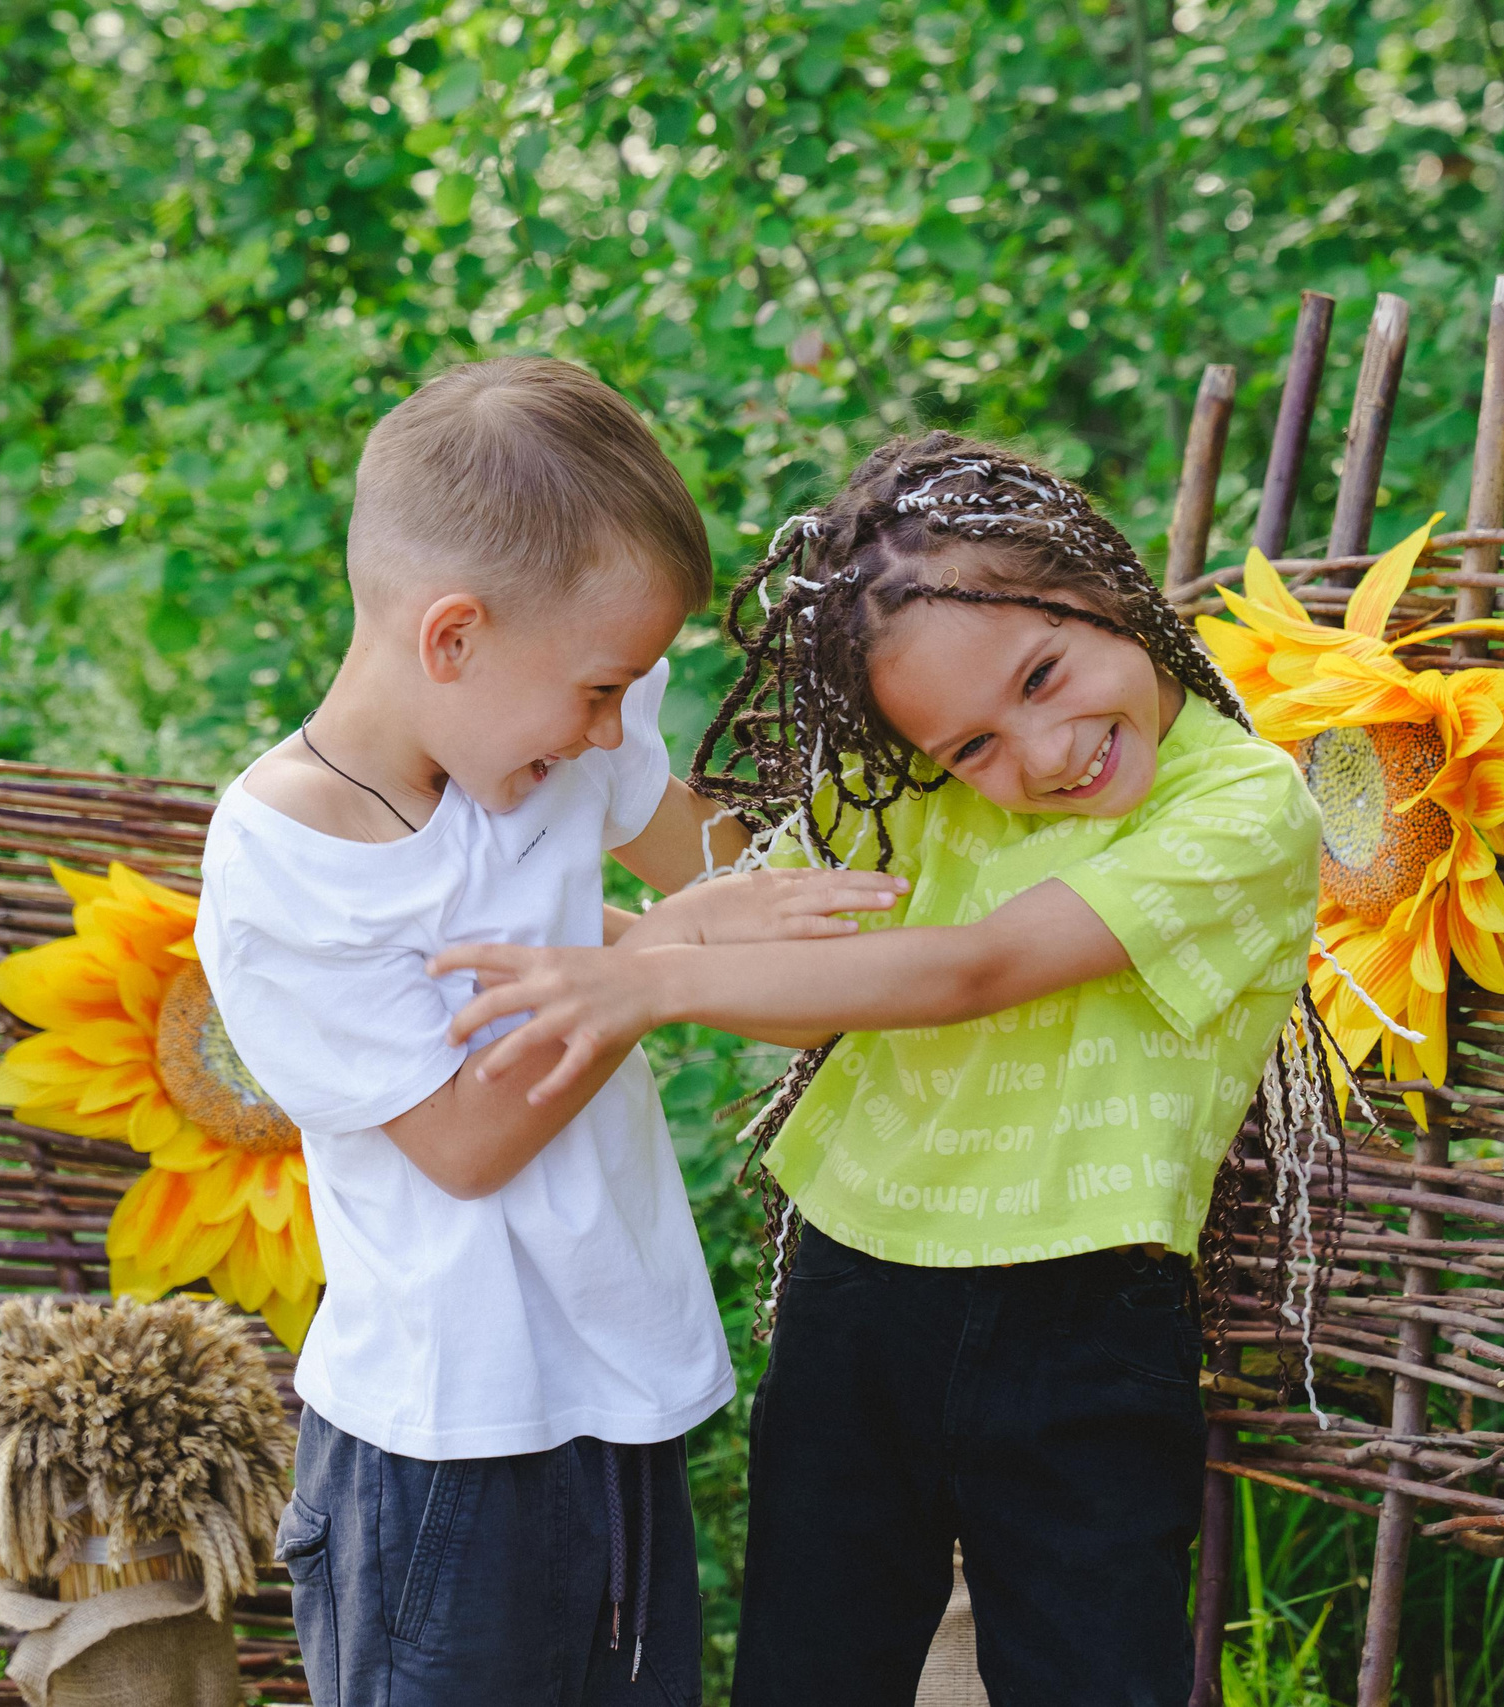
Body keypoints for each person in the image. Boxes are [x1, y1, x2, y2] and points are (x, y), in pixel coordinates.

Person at [430, 434, 1333, 1707]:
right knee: (813, 1668)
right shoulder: (920, 792)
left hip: (1081, 1322)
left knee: (1088, 1674)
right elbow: (766, 948)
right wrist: (600, 922)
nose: (1038, 753)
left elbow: (974, 968)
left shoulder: (1239, 809)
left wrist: (644, 984)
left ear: (1106, 588)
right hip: (856, 1294)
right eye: (970, 746)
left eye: (1042, 673)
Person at [193, 356, 903, 1707]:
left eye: (623, 692)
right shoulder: (291, 860)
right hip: (442, 1445)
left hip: (618, 1389)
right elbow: (465, 1140)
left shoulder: (559, 748)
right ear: (450, 637)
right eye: (596, 688)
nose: (609, 726)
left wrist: (701, 944)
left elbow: (757, 913)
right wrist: (657, 961)